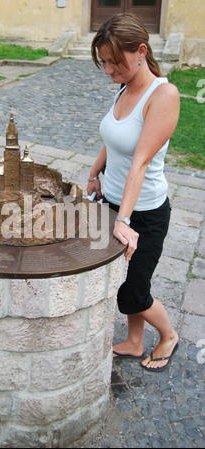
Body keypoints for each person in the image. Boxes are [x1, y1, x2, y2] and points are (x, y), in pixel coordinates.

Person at [87, 13, 180, 372]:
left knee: (133, 292)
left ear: (141, 51)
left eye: (114, 61)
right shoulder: (125, 87)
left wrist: (123, 220)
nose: (109, 70)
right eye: (104, 62)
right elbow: (115, 138)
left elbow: (139, 161)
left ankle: (169, 336)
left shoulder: (164, 95)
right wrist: (96, 172)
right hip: (113, 201)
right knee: (120, 282)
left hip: (144, 213)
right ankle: (135, 341)